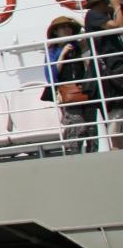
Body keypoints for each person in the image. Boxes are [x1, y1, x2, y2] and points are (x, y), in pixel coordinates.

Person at [41, 16, 98, 154]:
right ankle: (74, 156)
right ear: (55, 32)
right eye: (62, 27)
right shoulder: (52, 51)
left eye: (69, 26)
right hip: (68, 93)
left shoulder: (79, 45)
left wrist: (74, 18)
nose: (67, 29)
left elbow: (89, 32)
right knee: (76, 125)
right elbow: (51, 76)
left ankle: (93, 155)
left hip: (86, 90)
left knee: (91, 128)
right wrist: (63, 54)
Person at [83, 0, 123, 149]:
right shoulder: (93, 15)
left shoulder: (103, 14)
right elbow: (117, 26)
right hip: (109, 72)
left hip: (115, 67)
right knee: (116, 111)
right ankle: (116, 150)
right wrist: (117, 7)